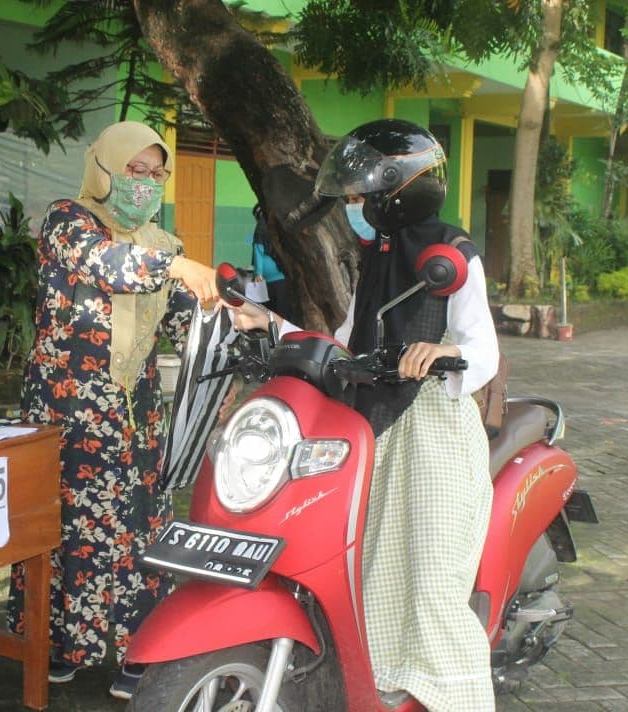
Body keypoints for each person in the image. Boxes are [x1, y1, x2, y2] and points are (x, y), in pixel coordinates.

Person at [228, 119, 499, 711]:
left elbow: (483, 351)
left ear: (396, 192)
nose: (353, 208)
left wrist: (444, 352)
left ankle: (457, 695)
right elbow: (347, 342)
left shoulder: (452, 254)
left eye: (358, 197)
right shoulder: (376, 256)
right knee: (367, 561)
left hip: (433, 428)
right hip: (372, 423)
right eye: (350, 198)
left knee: (430, 577)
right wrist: (271, 326)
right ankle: (376, 678)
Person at [6, 120, 218, 700]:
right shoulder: (67, 221)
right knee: (65, 525)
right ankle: (60, 646)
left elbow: (180, 318)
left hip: (134, 408)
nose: (145, 184)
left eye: (156, 174)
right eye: (134, 170)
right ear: (104, 168)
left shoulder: (158, 242)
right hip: (67, 408)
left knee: (137, 526)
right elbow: (106, 264)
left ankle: (135, 651)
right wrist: (176, 267)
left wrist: (235, 318)